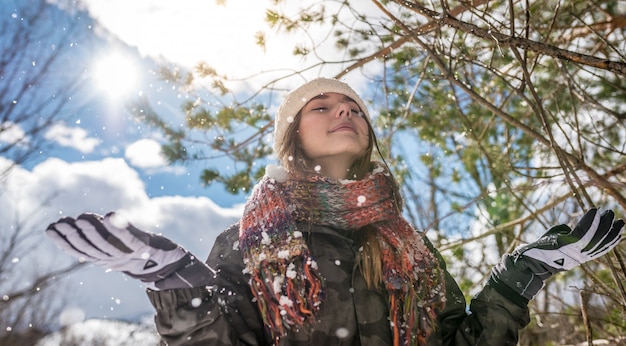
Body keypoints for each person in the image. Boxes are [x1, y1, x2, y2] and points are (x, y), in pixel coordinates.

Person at [46, 77, 624, 346]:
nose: (343, 111)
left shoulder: (407, 243)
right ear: (293, 137)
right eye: (320, 105)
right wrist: (177, 281)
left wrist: (521, 275)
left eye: (353, 107)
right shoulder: (250, 240)